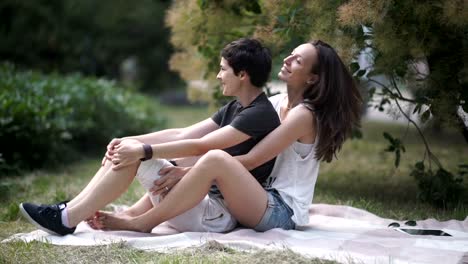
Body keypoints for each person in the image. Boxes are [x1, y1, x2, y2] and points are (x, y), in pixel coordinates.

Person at [83, 39, 362, 233]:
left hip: (281, 211)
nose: (287, 60)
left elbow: (251, 160)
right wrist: (132, 140)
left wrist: (185, 172)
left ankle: (143, 222)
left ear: (312, 78)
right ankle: (131, 213)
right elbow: (186, 133)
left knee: (213, 158)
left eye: (297, 60)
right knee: (195, 153)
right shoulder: (275, 104)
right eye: (290, 54)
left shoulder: (305, 115)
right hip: (254, 197)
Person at [19, 38, 281, 235]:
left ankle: (67, 219)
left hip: (216, 216)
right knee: (131, 150)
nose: (218, 75)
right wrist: (130, 139)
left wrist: (143, 150)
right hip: (200, 204)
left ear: (243, 74)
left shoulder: (258, 113)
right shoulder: (237, 107)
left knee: (139, 156)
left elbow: (202, 145)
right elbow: (181, 133)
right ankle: (68, 213)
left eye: (223, 69)